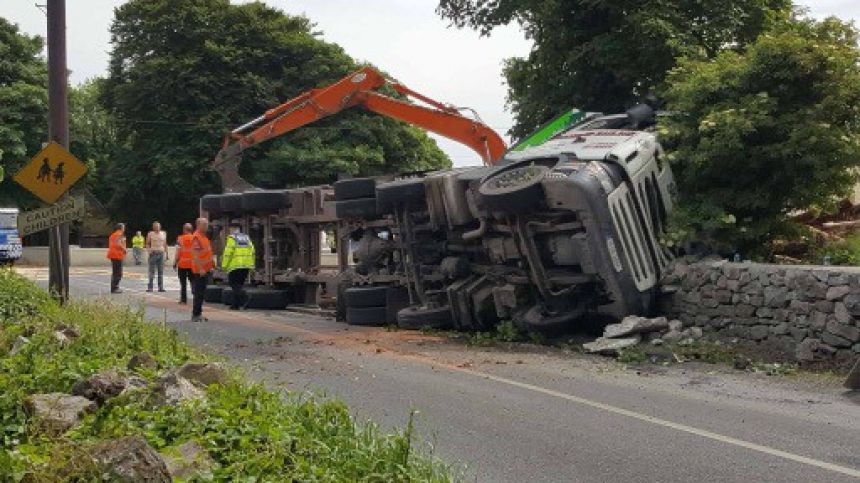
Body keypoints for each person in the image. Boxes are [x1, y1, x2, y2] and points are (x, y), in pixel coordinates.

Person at [221, 224, 255, 310]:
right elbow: (253, 251)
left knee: (234, 285)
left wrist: (224, 265)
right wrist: (252, 265)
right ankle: (235, 305)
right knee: (239, 285)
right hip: (246, 266)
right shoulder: (246, 238)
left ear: (232, 229)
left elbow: (228, 253)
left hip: (235, 266)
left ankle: (246, 296)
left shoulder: (232, 238)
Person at [190, 217, 214, 322]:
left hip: (206, 269)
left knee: (201, 292)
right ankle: (196, 314)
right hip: (200, 270)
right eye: (204, 224)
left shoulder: (204, 237)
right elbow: (195, 255)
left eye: (207, 224)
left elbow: (207, 252)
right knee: (199, 293)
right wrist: (200, 268)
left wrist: (212, 264)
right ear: (198, 225)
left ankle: (198, 313)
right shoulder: (196, 237)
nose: (206, 226)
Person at [173, 223, 194, 304]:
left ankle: (183, 299)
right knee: (193, 280)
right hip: (192, 264)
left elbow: (178, 252)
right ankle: (195, 294)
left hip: (182, 264)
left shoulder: (180, 239)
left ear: (184, 229)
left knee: (183, 283)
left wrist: (175, 262)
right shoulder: (195, 238)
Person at [146, 221, 168, 292]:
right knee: (151, 272)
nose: (157, 228)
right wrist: (149, 251)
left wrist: (166, 254)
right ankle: (150, 287)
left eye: (158, 227)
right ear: (153, 228)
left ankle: (160, 287)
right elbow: (147, 244)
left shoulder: (163, 233)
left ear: (160, 227)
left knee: (160, 272)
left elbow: (165, 244)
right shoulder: (150, 234)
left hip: (161, 253)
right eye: (155, 227)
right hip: (153, 254)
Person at [106, 223, 127, 294]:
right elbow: (118, 244)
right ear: (121, 228)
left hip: (112, 254)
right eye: (123, 227)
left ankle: (114, 287)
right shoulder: (120, 234)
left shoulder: (113, 235)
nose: (124, 229)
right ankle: (115, 288)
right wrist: (124, 249)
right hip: (117, 255)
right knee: (118, 273)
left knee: (115, 272)